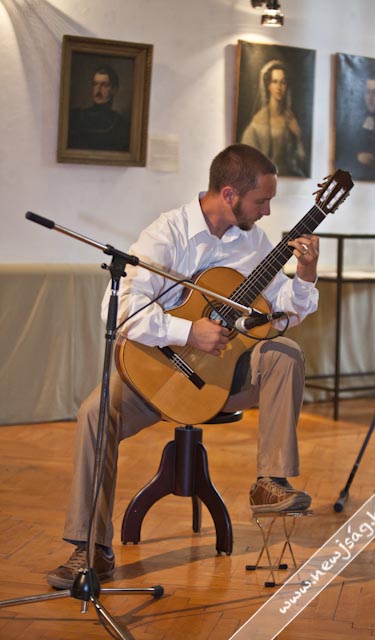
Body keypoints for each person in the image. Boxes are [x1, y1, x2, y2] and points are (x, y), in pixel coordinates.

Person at [46, 143, 320, 590]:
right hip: (157, 371)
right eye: (261, 201)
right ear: (229, 194)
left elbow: (281, 312)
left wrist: (305, 275)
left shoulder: (254, 241)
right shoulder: (167, 234)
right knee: (95, 413)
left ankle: (269, 481)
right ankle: (91, 548)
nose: (267, 212)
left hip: (221, 379)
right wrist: (187, 332)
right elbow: (118, 311)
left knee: (284, 352)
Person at [240, 60, 306, 177]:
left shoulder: (291, 119)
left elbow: (300, 160)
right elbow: (247, 160)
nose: (279, 87)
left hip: (289, 178)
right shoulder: (258, 121)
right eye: (275, 82)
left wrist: (298, 135)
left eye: (283, 82)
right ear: (268, 85)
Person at [67, 64, 130, 151]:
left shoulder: (121, 124)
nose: (98, 89)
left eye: (104, 85)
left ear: (114, 89)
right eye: (95, 84)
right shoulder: (76, 116)